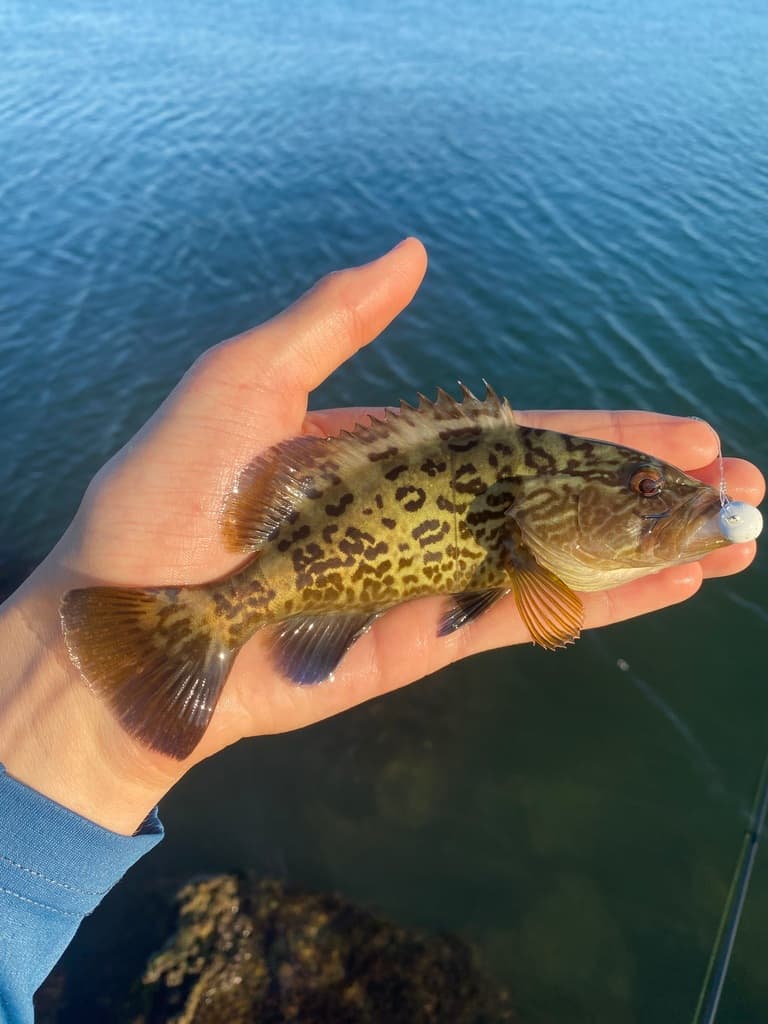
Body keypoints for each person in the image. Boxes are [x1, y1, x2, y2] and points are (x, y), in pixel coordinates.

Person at [0, 238, 763, 1021]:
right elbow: (548, 611)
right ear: (554, 500)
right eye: (642, 489)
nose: (660, 502)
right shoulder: (530, 520)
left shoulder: (542, 527)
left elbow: (543, 599)